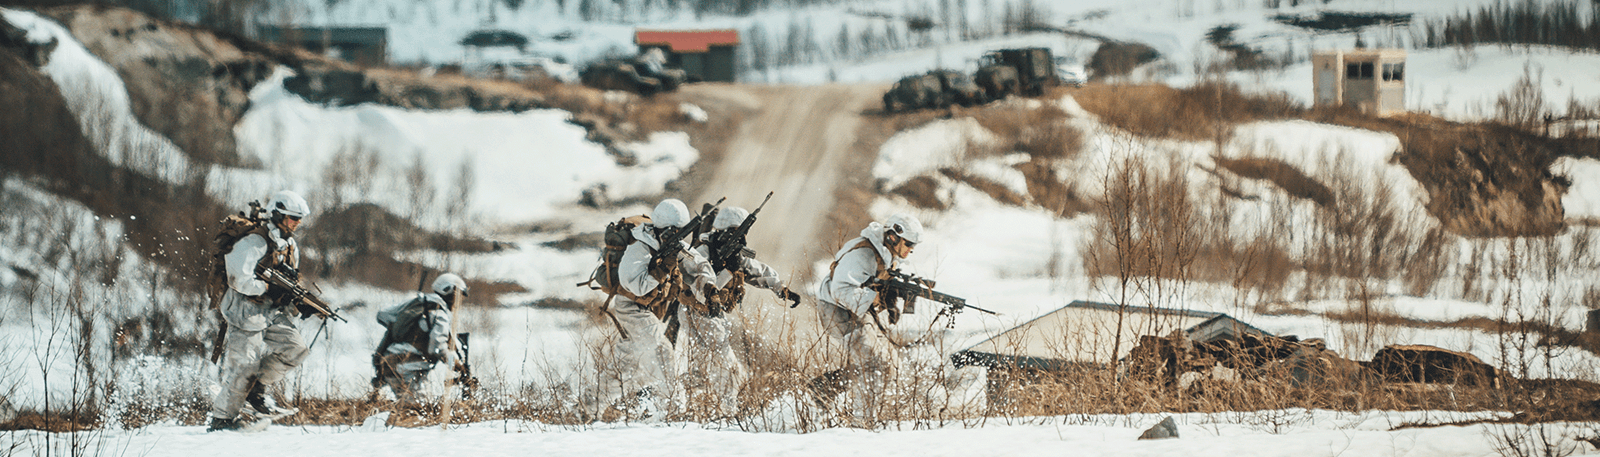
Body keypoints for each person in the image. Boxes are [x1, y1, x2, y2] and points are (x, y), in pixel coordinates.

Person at [597, 198, 717, 418]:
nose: (676, 237)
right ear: (662, 228)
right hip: (631, 306)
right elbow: (636, 286)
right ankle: (674, 410)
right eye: (673, 232)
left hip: (649, 308)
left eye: (680, 233)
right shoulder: (639, 246)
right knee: (662, 350)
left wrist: (709, 287)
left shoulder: (671, 245)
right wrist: (662, 269)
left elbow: (699, 264)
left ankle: (587, 408)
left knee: (624, 366)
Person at [208, 190, 312, 432]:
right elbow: (237, 280)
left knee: (296, 349)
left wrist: (298, 300)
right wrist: (266, 288)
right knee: (244, 367)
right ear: (278, 215)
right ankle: (222, 420)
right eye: (292, 218)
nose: (297, 223)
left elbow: (290, 279)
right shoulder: (254, 242)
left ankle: (256, 387)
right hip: (244, 311)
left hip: (270, 311)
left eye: (299, 219)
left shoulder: (290, 245)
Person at [680, 206, 799, 416]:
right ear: (723, 231)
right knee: (727, 368)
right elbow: (703, 291)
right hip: (697, 313)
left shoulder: (734, 255)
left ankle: (702, 408)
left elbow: (758, 270)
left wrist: (781, 289)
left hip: (711, 314)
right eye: (736, 232)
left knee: (709, 366)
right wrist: (728, 271)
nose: (741, 237)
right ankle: (725, 412)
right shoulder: (703, 253)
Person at [811, 214, 925, 412]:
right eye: (908, 244)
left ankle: (824, 388)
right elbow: (840, 290)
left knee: (892, 365)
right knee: (875, 364)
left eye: (913, 245)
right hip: (837, 310)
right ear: (893, 237)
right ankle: (860, 419)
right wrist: (875, 298)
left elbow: (874, 283)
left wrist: (890, 299)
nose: (911, 249)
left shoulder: (887, 254)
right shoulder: (864, 253)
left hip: (855, 311)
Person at [372, 273, 467, 400]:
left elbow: (382, 315)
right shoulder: (439, 313)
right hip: (408, 368)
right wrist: (456, 364)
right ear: (449, 292)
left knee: (407, 407)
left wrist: (407, 330)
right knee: (418, 408)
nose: (458, 302)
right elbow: (437, 348)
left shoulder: (417, 303)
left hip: (389, 361)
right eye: (458, 296)